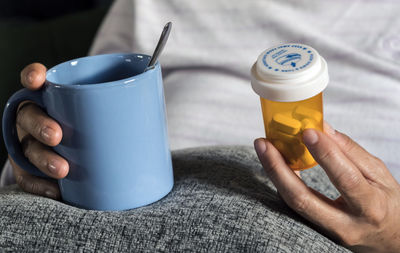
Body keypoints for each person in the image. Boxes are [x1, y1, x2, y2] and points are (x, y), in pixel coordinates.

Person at [1, 0, 400, 252]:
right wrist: (33, 151)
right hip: (75, 211)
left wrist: (392, 236)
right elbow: (76, 102)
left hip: (312, 217)